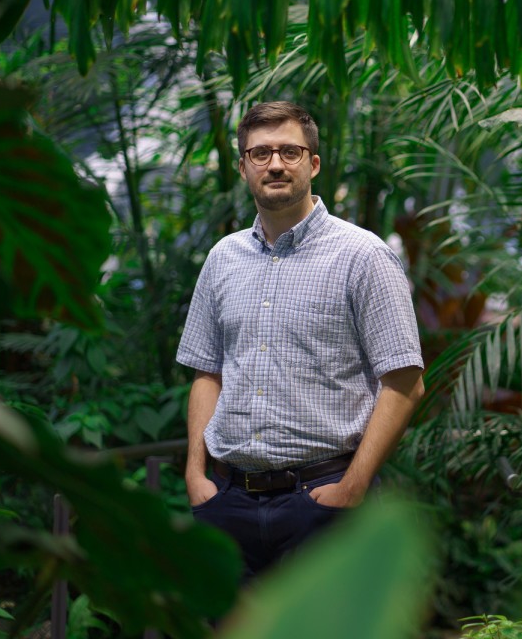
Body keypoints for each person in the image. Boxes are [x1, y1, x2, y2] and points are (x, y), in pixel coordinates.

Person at [176, 101, 424, 579]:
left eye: (289, 152)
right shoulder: (222, 259)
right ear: (243, 166)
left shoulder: (363, 256)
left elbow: (405, 383)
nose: (274, 164)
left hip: (324, 500)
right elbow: (207, 372)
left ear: (313, 163)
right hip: (228, 503)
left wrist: (352, 488)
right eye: (260, 153)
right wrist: (194, 475)